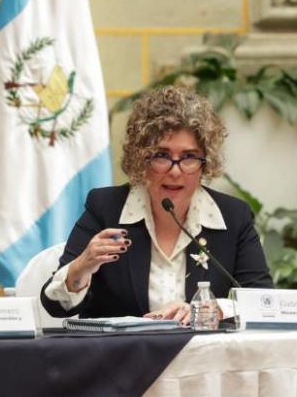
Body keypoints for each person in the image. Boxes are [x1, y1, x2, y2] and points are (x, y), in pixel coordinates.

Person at [41, 86, 273, 321]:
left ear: (206, 162)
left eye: (189, 157)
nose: (175, 171)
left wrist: (216, 308)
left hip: (205, 355)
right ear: (141, 157)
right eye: (162, 156)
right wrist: (81, 267)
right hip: (122, 355)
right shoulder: (106, 209)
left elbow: (264, 302)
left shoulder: (233, 217)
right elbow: (55, 305)